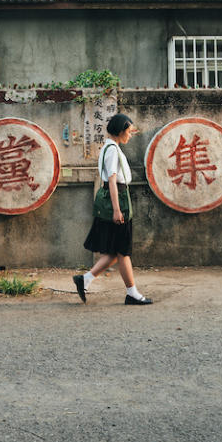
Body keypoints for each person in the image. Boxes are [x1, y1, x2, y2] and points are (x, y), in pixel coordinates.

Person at [73, 113, 152, 305]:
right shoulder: (111, 150)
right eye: (129, 131)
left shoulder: (111, 148)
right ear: (121, 129)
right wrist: (117, 210)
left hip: (118, 200)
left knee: (114, 252)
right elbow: (113, 181)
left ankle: (86, 279)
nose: (131, 135)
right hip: (118, 202)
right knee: (123, 251)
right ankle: (132, 293)